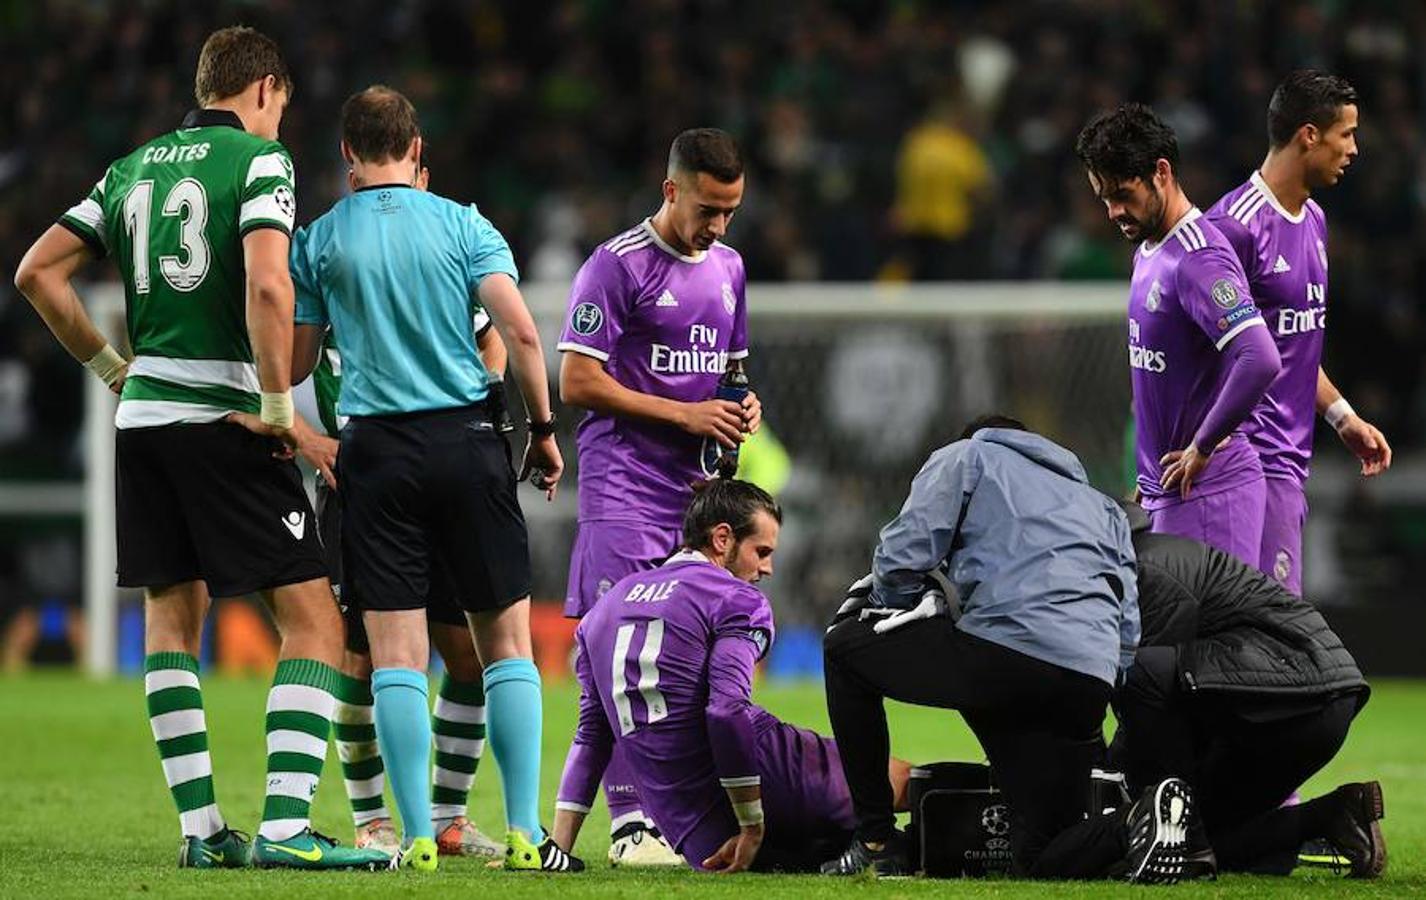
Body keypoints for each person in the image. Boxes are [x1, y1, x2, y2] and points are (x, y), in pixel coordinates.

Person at [13, 26, 387, 871]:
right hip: (225, 422)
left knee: (171, 622)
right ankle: (288, 830)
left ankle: (202, 831)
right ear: (262, 92)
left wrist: (112, 369)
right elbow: (266, 281)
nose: (280, 128)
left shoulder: (131, 168)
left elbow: (37, 273)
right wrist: (279, 408)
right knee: (315, 624)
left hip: (142, 426)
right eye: (281, 111)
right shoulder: (260, 164)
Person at [289, 85, 572, 872]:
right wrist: (543, 432)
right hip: (467, 440)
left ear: (347, 154)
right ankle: (523, 833)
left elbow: (302, 361)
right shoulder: (463, 223)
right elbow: (516, 330)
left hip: (372, 454)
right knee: (506, 645)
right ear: (416, 151)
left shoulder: (317, 241)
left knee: (396, 655)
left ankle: (413, 838)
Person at [823, 416, 1191, 884]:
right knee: (1040, 856)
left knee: (842, 650)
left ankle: (876, 840)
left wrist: (893, 604)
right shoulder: (1104, 507)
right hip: (1086, 682)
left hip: (1003, 654)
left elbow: (904, 552)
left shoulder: (968, 456)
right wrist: (1102, 682)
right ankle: (1136, 823)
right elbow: (1128, 616)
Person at [557, 127, 762, 865]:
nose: (717, 226)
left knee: (684, 661)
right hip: (624, 487)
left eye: (729, 212)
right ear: (671, 190)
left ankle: (672, 811)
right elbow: (575, 382)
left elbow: (730, 374)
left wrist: (742, 405)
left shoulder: (731, 268)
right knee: (616, 658)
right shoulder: (616, 267)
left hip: (695, 498)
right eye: (707, 209)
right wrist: (682, 412)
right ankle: (627, 822)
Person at [552, 479, 912, 872]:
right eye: (761, 551)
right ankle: (987, 809)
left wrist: (558, 850)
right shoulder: (735, 598)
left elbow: (591, 735)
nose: (767, 568)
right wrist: (751, 823)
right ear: (722, 538)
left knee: (833, 848)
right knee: (899, 781)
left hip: (700, 837)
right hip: (769, 780)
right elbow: (726, 710)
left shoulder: (603, 611)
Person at [1112, 501, 1385, 879]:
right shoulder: (1148, 562)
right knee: (1206, 837)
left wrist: (1109, 782)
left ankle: (1188, 847)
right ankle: (1334, 815)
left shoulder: (1149, 571)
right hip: (1311, 700)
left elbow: (1146, 702)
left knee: (1140, 674)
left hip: (1300, 692)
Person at [1206, 71, 1391, 595]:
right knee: (1261, 633)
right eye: (1347, 134)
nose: (1354, 149)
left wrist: (1342, 417)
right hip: (1244, 462)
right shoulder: (1233, 227)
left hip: (1289, 460)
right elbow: (1203, 352)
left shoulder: (1314, 221)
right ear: (1309, 135)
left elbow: (1292, 346)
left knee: (1269, 633)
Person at [1075, 103, 1282, 566]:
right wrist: (1146, 482)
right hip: (1167, 495)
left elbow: (1260, 357)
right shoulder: (1149, 251)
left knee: (1219, 640)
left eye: (1123, 194)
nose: (1112, 211)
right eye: (1103, 197)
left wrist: (1203, 446)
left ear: (1161, 173)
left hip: (1210, 495)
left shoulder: (1197, 259)